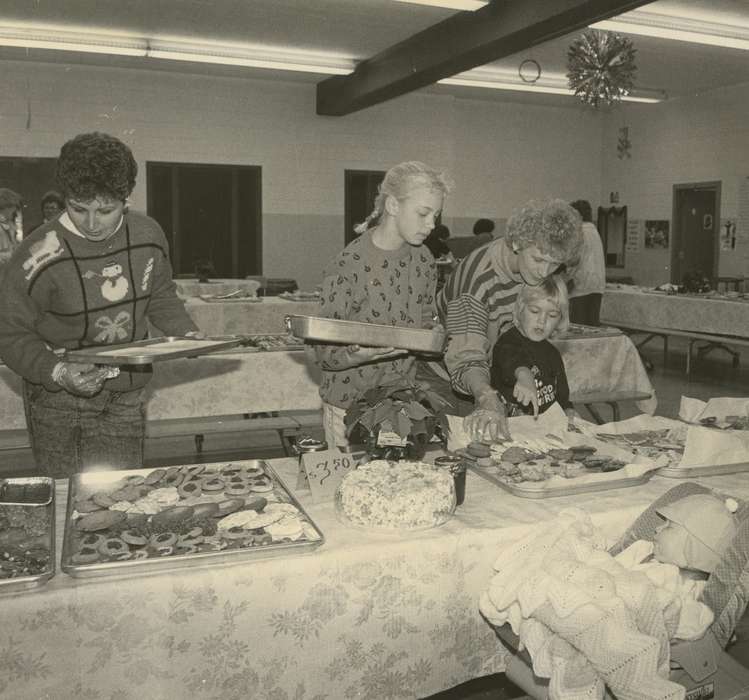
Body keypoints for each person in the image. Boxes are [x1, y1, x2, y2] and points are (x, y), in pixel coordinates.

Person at [0, 132, 200, 477]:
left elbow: (161, 293)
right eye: (78, 208)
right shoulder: (36, 254)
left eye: (105, 210)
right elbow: (11, 334)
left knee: (121, 496)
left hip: (128, 392)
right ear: (64, 198)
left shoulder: (148, 234)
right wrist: (59, 372)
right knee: (68, 502)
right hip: (59, 400)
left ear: (127, 198)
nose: (91, 224)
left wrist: (186, 332)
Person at [314, 161, 451, 449]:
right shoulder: (348, 265)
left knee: (391, 485)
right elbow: (323, 351)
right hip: (346, 405)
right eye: (423, 214)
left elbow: (426, 317)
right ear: (392, 206)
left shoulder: (424, 258)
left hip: (399, 402)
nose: (432, 225)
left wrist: (435, 333)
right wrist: (357, 356)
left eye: (435, 215)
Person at [436, 198, 582, 442]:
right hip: (454, 375)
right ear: (516, 243)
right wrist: (486, 396)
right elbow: (466, 358)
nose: (544, 273)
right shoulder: (477, 282)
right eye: (538, 260)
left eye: (554, 264)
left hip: (501, 373)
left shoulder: (535, 269)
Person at [490, 276, 574, 419]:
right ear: (520, 310)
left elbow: (562, 397)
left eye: (552, 315)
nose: (542, 320)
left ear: (560, 320)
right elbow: (512, 361)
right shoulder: (507, 342)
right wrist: (524, 374)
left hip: (543, 428)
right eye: (535, 311)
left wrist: (568, 410)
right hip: (508, 424)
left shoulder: (553, 354)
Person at [567, 199, 605, 326]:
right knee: (592, 327)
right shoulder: (594, 231)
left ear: (579, 216)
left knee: (578, 328)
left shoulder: (579, 232)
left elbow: (573, 260)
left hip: (581, 287)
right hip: (597, 286)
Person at [0, 187, 24, 266]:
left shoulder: (9, 225)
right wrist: (13, 255)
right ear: (6, 206)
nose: (15, 211)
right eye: (14, 206)